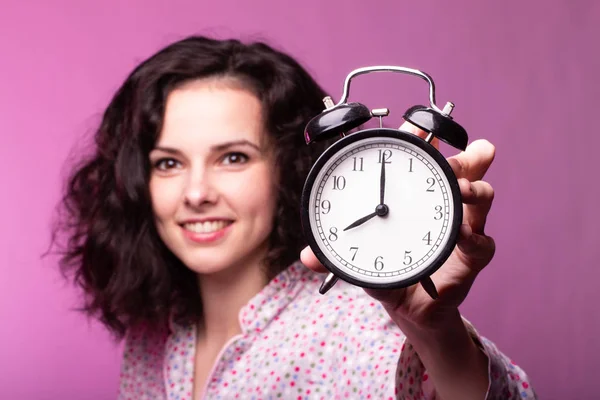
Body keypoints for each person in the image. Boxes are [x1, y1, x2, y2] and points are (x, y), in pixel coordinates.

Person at [55, 35, 536, 399]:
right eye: (168, 163)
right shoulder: (154, 335)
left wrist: (436, 333)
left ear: (289, 170)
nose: (196, 193)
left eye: (233, 158)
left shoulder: (361, 327)